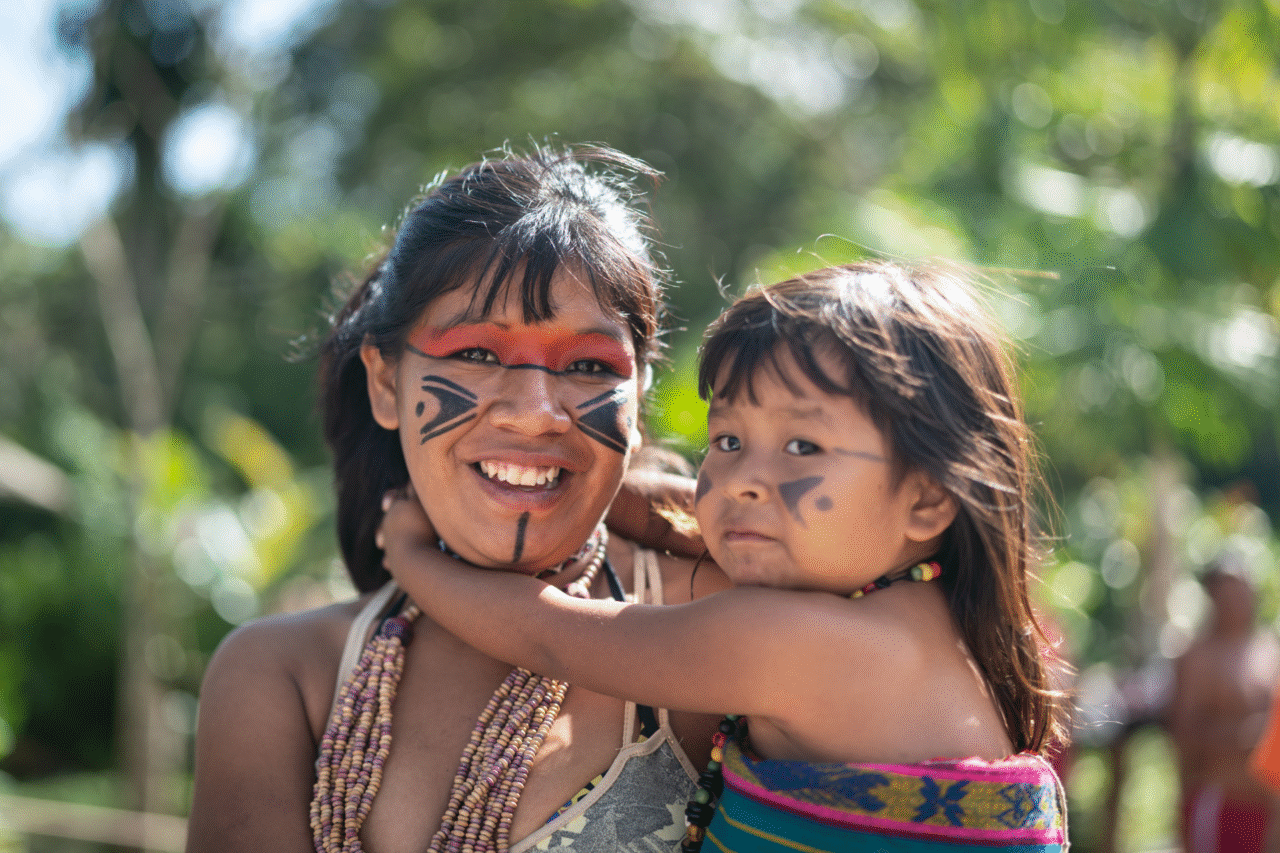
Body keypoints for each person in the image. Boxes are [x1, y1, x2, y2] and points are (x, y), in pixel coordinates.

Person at [379, 260, 1072, 852]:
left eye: (802, 447)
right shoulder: (930, 615)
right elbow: (698, 512)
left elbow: (547, 635)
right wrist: (597, 491)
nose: (741, 478)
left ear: (926, 498)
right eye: (729, 440)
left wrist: (411, 552)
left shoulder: (792, 644)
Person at [184, 144, 731, 853]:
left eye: (590, 365)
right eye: (476, 354)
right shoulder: (284, 674)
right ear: (386, 383)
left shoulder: (720, 623)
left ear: (639, 395)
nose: (535, 412)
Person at [1169, 554, 1280, 853]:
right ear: (1212, 596)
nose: (1234, 599)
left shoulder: (1269, 649)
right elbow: (1184, 733)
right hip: (1217, 802)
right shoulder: (1198, 656)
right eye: (1225, 591)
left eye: (1240, 588)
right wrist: (1249, 736)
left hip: (1265, 807)